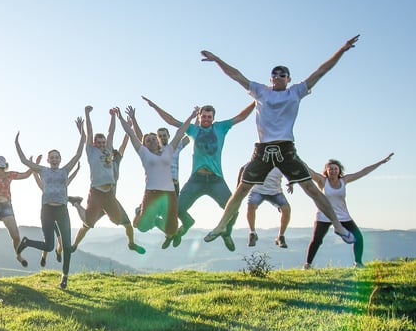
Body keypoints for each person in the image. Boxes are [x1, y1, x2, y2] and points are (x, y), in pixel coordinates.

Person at [200, 35, 361, 248]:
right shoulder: (260, 91)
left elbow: (321, 71)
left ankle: (338, 227)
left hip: (285, 147)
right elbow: (236, 75)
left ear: (288, 79)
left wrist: (342, 49)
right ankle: (222, 225)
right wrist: (217, 60)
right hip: (263, 149)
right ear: (270, 79)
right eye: (274, 74)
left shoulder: (296, 91)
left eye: (282, 74)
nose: (277, 76)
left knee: (311, 189)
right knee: (242, 189)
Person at [142, 96, 255, 250]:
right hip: (197, 179)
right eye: (204, 116)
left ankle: (226, 232)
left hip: (216, 179)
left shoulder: (220, 127)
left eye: (209, 117)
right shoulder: (193, 129)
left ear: (213, 118)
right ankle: (184, 226)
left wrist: (256, 100)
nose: (206, 119)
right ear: (199, 117)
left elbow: (241, 116)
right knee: (177, 209)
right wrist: (154, 106)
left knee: (233, 210)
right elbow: (172, 121)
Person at [14, 117, 85, 289]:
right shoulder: (43, 170)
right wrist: (17, 143)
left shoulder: (65, 170)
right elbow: (24, 161)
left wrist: (82, 132)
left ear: (60, 159)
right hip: (46, 211)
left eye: (56, 157)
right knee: (49, 245)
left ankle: (64, 277)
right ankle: (26, 242)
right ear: (48, 160)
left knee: (66, 246)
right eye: (51, 157)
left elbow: (78, 154)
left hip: (62, 210)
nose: (54, 159)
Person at [118, 106, 195, 249]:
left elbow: (180, 133)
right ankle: (142, 213)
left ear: (158, 140)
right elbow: (132, 133)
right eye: (148, 140)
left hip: (170, 193)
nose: (152, 141)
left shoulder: (169, 150)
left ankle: (158, 223)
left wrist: (192, 116)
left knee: (172, 229)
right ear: (144, 144)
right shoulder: (144, 153)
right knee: (141, 226)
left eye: (154, 139)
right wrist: (122, 118)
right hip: (152, 193)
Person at [71, 106, 144, 254]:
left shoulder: (110, 152)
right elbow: (89, 133)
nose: (102, 145)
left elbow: (112, 133)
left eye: (103, 143)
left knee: (122, 221)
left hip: (110, 195)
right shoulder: (91, 152)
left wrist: (113, 117)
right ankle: (76, 206)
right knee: (88, 224)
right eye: (99, 143)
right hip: (97, 193)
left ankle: (131, 244)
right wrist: (87, 114)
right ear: (94, 144)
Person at [304, 153, 393, 269]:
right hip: (324, 215)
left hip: (342, 215)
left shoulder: (344, 180)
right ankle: (307, 264)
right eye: (330, 169)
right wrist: (293, 156)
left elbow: (363, 172)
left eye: (335, 169)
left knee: (358, 237)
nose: (333, 171)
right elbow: (309, 171)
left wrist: (381, 162)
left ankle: (358, 263)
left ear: (339, 170)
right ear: (326, 171)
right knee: (317, 240)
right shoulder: (322, 181)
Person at [31, 153, 82, 267]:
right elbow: (37, 176)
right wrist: (35, 166)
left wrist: (76, 170)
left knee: (60, 241)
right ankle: (43, 257)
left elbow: (69, 179)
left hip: (59, 213)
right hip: (49, 214)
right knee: (48, 241)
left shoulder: (62, 184)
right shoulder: (45, 187)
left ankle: (58, 252)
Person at [242, 165, 292, 248]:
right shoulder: (259, 161)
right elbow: (243, 168)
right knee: (251, 207)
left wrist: (291, 183)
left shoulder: (281, 163)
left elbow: (289, 172)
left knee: (286, 209)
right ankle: (252, 234)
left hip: (275, 192)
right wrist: (239, 185)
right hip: (257, 191)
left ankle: (280, 237)